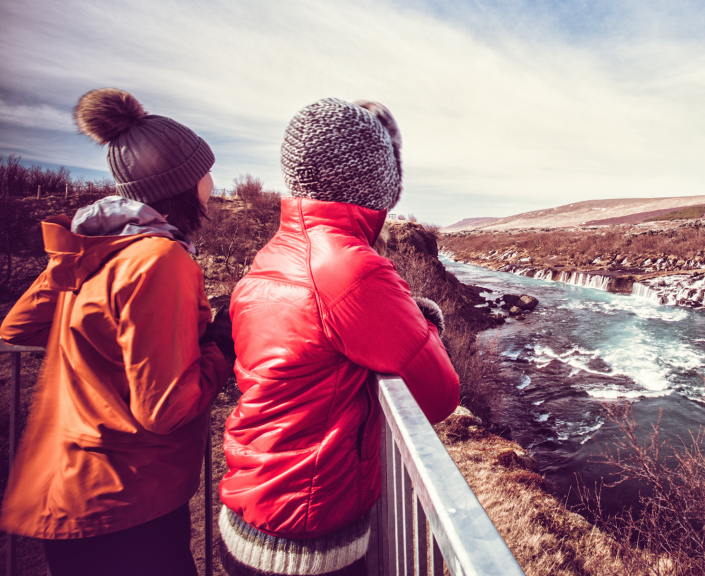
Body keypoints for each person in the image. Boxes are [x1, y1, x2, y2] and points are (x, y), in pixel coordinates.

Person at [219, 98, 459, 576]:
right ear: (376, 183)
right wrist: (427, 321)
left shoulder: (279, 250)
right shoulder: (350, 268)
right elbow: (439, 394)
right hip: (306, 540)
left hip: (255, 513)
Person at [0, 88, 232, 576]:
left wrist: (78, 250)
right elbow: (165, 408)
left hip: (70, 495)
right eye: (205, 169)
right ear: (183, 182)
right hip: (127, 508)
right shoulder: (158, 259)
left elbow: (16, 327)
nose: (213, 180)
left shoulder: (106, 253)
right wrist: (221, 346)